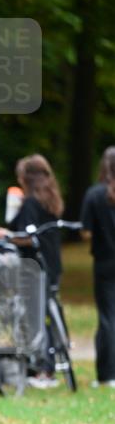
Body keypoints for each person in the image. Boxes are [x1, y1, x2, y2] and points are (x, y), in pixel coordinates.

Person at [0, 154, 65, 389]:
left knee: (35, 317)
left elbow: (27, 237)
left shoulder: (31, 204)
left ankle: (44, 369)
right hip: (53, 264)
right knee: (47, 313)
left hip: (34, 267)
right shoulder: (51, 200)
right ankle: (51, 363)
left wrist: (7, 235)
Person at [80, 146, 115, 387]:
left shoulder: (95, 194)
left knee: (107, 318)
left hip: (104, 262)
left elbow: (85, 232)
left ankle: (108, 374)